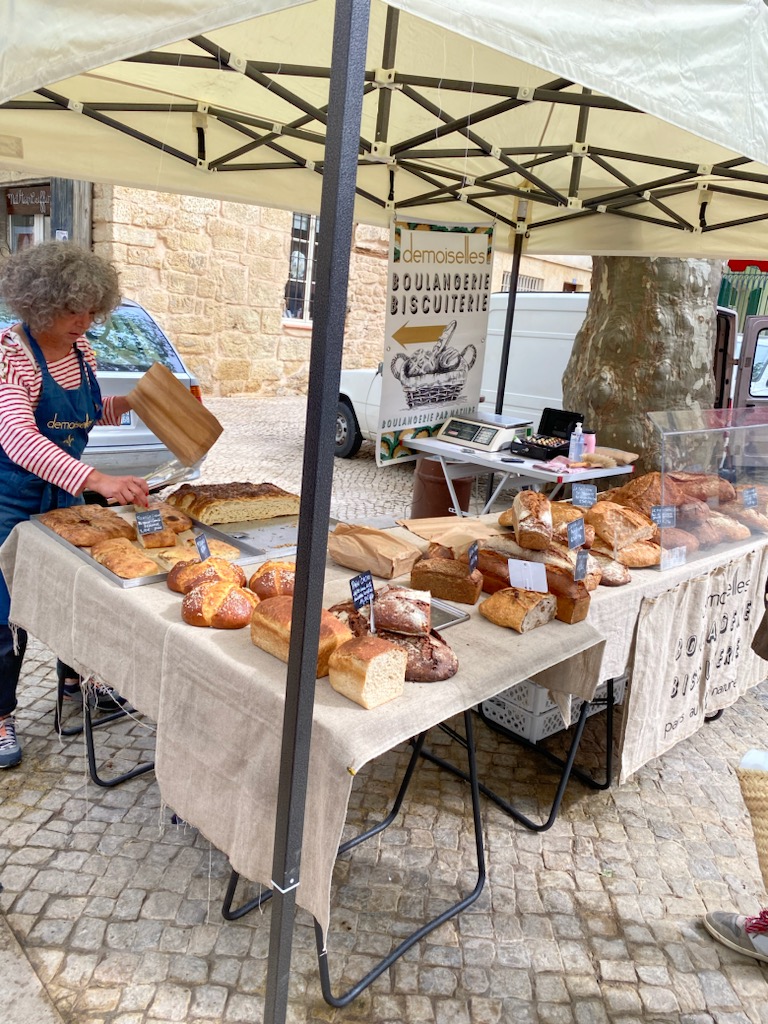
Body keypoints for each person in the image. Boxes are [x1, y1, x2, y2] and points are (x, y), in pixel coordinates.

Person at [0, 241, 150, 769]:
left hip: (61, 502)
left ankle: (75, 680)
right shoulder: (11, 356)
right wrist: (97, 480)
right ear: (38, 304)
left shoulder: (81, 351)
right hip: (9, 502)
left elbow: (84, 411)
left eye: (90, 310)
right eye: (70, 311)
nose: (83, 322)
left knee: (73, 596)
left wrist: (127, 404)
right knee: (5, 614)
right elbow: (17, 436)